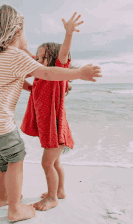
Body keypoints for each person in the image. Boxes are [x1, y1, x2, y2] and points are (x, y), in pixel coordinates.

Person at [0, 5, 101, 223]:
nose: (34, 57)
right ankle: (15, 209)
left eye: (41, 57)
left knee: (1, 160)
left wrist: (67, 37)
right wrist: (79, 73)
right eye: (24, 30)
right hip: (0, 125)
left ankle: (6, 197)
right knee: (16, 158)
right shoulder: (18, 59)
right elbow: (46, 70)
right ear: (16, 31)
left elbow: (54, 64)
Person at [21, 13, 86, 212]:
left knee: (47, 163)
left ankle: (52, 198)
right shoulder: (40, 79)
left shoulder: (57, 76)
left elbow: (63, 55)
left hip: (56, 129)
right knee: (55, 162)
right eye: (37, 57)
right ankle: (60, 191)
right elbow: (34, 90)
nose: (37, 60)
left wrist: (68, 34)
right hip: (52, 129)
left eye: (42, 57)